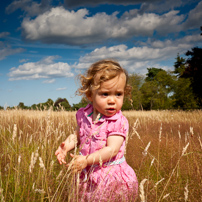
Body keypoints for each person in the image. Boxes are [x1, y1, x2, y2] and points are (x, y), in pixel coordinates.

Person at [55, 59, 138, 201]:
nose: (112, 100)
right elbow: (77, 135)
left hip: (108, 176)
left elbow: (112, 150)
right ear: (90, 95)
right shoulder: (84, 114)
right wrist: (66, 147)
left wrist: (87, 160)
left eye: (118, 94)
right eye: (105, 94)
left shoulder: (117, 121)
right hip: (87, 173)